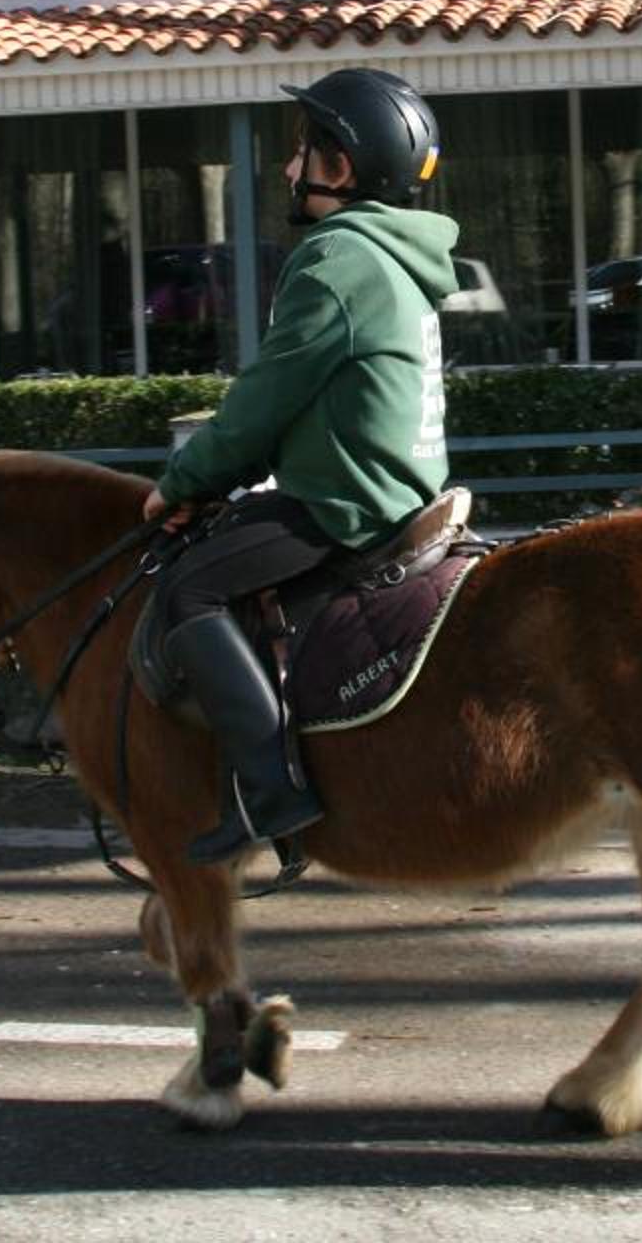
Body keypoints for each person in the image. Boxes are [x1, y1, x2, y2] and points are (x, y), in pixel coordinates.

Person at [139, 67, 459, 863]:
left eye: (302, 153)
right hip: (397, 489)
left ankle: (272, 793)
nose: (288, 168)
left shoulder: (336, 258)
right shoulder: (397, 255)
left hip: (344, 503)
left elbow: (264, 401)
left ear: (339, 168)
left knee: (188, 589)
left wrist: (181, 484)